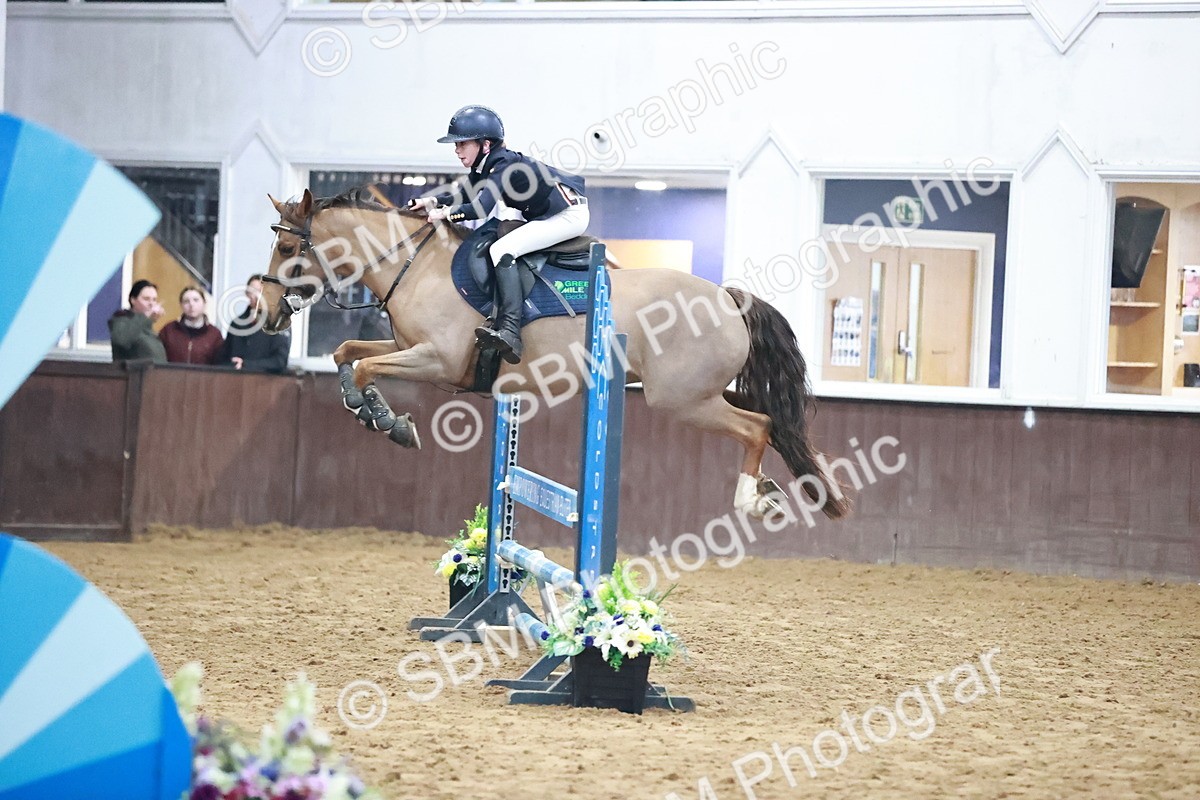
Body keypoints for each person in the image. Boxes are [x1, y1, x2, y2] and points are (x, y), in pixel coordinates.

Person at [408, 105, 588, 364]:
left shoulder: (503, 164)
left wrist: (446, 214)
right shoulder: (487, 164)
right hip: (543, 214)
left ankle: (511, 330)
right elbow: (467, 196)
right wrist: (434, 202)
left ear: (485, 144)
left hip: (568, 216)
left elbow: (481, 207)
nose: (457, 150)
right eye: (455, 145)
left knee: (501, 250)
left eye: (462, 144)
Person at [220, 274, 290, 374]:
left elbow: (280, 361)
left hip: (268, 383)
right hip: (237, 381)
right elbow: (224, 357)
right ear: (247, 294)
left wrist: (246, 364)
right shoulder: (236, 324)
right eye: (253, 291)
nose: (258, 295)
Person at [158, 286, 225, 365]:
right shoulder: (169, 330)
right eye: (186, 301)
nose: (191, 304)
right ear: (181, 305)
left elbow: (220, 365)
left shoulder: (214, 335)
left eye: (196, 300)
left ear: (204, 303)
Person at [109, 279, 167, 364]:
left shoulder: (148, 327)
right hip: (131, 375)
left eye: (154, 300)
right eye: (146, 299)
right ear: (133, 300)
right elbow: (121, 340)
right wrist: (146, 317)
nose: (151, 303)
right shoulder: (122, 318)